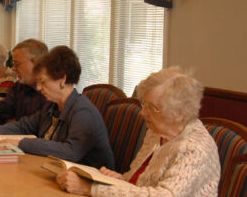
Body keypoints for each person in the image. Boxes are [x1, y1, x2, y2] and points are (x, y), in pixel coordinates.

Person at [56, 67, 221, 196]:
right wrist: (119, 180)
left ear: (179, 114)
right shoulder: (156, 131)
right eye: (144, 104)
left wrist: (90, 188)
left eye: (152, 107)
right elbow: (139, 183)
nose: (142, 113)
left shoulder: (196, 148)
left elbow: (164, 195)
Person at [0, 46, 114, 170]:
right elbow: (25, 125)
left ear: (63, 79)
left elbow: (71, 151)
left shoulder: (82, 111)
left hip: (86, 184)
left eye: (43, 82)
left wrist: (20, 143)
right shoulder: (52, 106)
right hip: (55, 171)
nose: (39, 87)